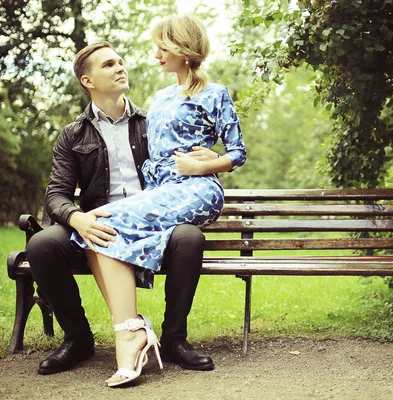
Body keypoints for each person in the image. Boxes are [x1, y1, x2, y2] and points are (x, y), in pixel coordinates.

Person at [25, 21, 242, 385]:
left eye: (120, 61)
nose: (121, 67)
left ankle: (173, 339)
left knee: (189, 238)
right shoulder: (73, 134)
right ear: (88, 81)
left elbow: (194, 151)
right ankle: (79, 339)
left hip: (155, 213)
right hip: (97, 218)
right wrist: (76, 218)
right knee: (42, 244)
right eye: (109, 64)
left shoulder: (150, 118)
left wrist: (208, 160)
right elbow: (56, 195)